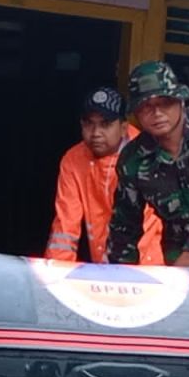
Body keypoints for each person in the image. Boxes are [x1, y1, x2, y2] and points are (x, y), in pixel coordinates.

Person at [106, 61, 189, 265]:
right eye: (145, 107)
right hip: (176, 257)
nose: (157, 113)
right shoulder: (132, 159)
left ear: (181, 101)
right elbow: (124, 228)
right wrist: (121, 278)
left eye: (165, 103)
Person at [45, 86, 162, 264]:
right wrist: (56, 274)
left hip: (149, 266)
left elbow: (147, 226)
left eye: (105, 124)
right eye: (89, 123)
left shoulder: (146, 154)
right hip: (103, 266)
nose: (96, 133)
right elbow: (65, 225)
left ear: (123, 127)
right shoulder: (73, 159)